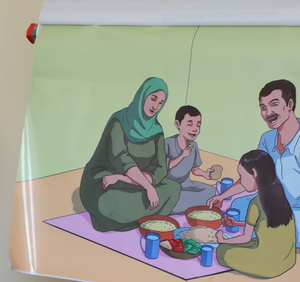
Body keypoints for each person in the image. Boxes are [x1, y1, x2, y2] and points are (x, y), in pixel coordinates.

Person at [209, 79, 300, 262]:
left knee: (271, 228)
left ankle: (251, 235)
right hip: (280, 203)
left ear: (290, 105)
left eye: (274, 104)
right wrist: (222, 196)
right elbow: (254, 176)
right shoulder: (268, 139)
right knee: (238, 206)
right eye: (263, 107)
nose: (267, 113)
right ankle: (249, 227)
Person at [79, 77, 179, 231]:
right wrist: (148, 188)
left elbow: (160, 167)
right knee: (109, 200)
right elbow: (121, 159)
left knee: (173, 188)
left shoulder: (156, 130)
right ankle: (138, 216)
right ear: (143, 95)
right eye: (153, 99)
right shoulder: (119, 121)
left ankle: (131, 216)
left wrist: (131, 180)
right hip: (105, 180)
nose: (156, 106)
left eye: (161, 103)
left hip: (132, 182)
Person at [216, 150, 297, 278]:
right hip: (287, 260)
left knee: (222, 251)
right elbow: (267, 224)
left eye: (242, 176)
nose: (241, 181)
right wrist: (238, 223)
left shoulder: (256, 202)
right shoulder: (280, 194)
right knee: (253, 242)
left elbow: (245, 238)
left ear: (254, 173)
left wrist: (223, 240)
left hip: (269, 266)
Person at [164, 105, 217, 214]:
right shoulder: (168, 143)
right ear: (178, 125)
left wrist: (205, 174)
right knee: (172, 198)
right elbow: (163, 167)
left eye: (198, 125)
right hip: (169, 185)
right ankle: (182, 205)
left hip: (186, 183)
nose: (195, 129)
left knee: (211, 190)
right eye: (189, 124)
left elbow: (195, 169)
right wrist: (182, 156)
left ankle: (182, 205)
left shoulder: (193, 145)